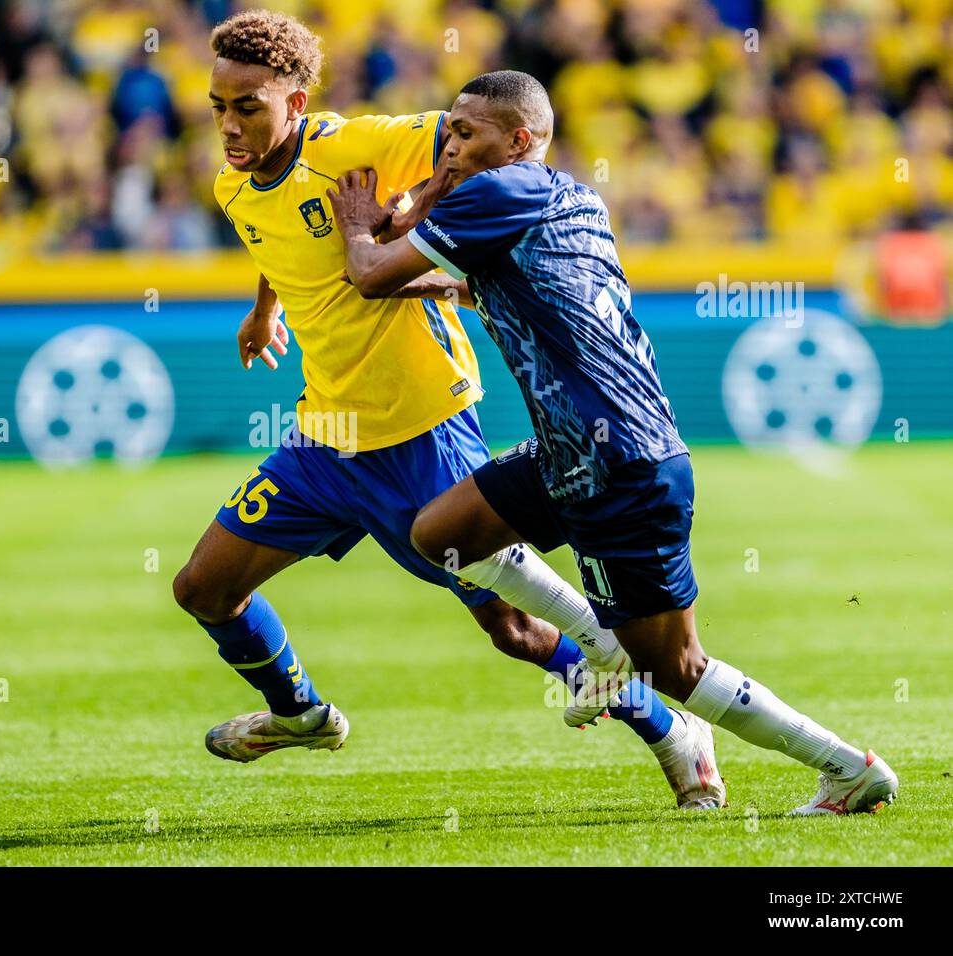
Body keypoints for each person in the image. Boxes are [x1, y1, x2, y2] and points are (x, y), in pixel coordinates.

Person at [171, 12, 721, 809]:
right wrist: (265, 310)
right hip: (325, 438)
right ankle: (301, 716)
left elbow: (484, 149)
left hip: (423, 429)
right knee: (202, 588)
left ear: (296, 98)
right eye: (217, 105)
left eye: (247, 106)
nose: (228, 123)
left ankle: (676, 732)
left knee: (516, 628)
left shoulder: (353, 145)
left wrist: (416, 205)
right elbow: (275, 234)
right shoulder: (232, 181)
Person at [330, 69, 896, 815]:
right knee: (442, 532)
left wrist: (358, 223)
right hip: (580, 450)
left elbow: (370, 276)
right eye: (450, 130)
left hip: (617, 463)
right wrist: (431, 217)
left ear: (519, 141)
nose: (450, 144)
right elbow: (474, 286)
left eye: (467, 133)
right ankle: (603, 649)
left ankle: (847, 768)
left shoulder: (496, 193)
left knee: (675, 669)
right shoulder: (572, 198)